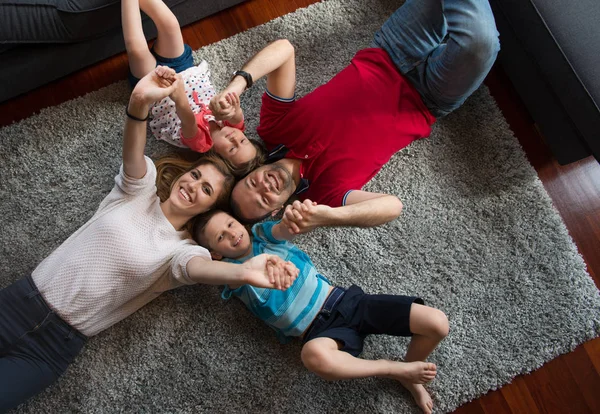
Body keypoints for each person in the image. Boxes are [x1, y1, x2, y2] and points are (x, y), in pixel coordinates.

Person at [0, 67, 298, 411]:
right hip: (18, 303)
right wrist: (139, 102)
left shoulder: (182, 253)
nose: (192, 185)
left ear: (210, 207)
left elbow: (203, 270)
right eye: (196, 175)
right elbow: (134, 145)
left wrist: (245, 273)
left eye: (206, 190)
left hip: (52, 348)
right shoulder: (138, 190)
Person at [210, 0, 499, 228]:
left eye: (252, 183)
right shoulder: (326, 198)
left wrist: (236, 86)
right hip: (429, 97)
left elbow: (283, 50)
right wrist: (325, 217)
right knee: (480, 42)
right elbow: (392, 206)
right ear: (277, 209)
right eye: (263, 200)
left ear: (253, 171)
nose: (264, 186)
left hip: (392, 48)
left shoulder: (273, 129)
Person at [192, 206, 449, 414]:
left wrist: (293, 217)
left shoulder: (262, 235)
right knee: (312, 356)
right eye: (220, 238)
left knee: (437, 323)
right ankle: (394, 369)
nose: (231, 234)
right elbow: (201, 272)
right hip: (322, 333)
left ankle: (410, 369)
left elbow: (283, 229)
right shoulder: (231, 275)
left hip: (347, 302)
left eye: (229, 224)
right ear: (215, 254)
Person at [122, 0, 265, 175]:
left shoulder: (201, 144)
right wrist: (233, 108)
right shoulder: (234, 127)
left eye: (232, 149)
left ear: (217, 158)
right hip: (184, 69)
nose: (235, 139)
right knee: (170, 25)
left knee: (137, 49)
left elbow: (187, 117)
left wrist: (178, 90)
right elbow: (237, 116)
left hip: (159, 87)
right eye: (243, 141)